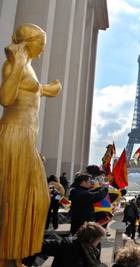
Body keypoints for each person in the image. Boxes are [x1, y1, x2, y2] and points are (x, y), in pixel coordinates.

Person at [0, 23, 61, 264]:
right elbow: (5, 97)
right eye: (41, 45)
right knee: (14, 199)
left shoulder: (28, 68)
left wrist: (49, 89)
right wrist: (17, 60)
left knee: (37, 198)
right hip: (14, 135)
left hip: (26, 138)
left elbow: (31, 90)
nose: (43, 50)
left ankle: (15, 252)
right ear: (29, 43)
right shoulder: (15, 64)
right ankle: (7, 256)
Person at [23, 222, 106, 267]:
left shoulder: (92, 249)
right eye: (99, 239)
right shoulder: (67, 245)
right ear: (91, 239)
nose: (99, 242)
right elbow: (40, 245)